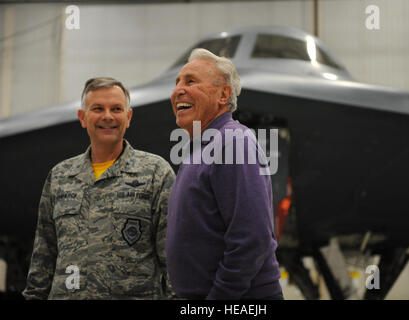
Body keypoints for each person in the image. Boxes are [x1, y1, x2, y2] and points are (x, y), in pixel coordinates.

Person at [22, 77, 175, 299]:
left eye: (116, 108)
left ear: (128, 117)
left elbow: (173, 259)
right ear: (83, 118)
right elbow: (43, 256)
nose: (107, 116)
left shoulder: (155, 173)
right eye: (97, 108)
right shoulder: (60, 176)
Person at [166, 49, 283, 299]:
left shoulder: (233, 142)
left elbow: (252, 239)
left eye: (190, 81)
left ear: (223, 94)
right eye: (177, 83)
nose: (178, 90)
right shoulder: (201, 149)